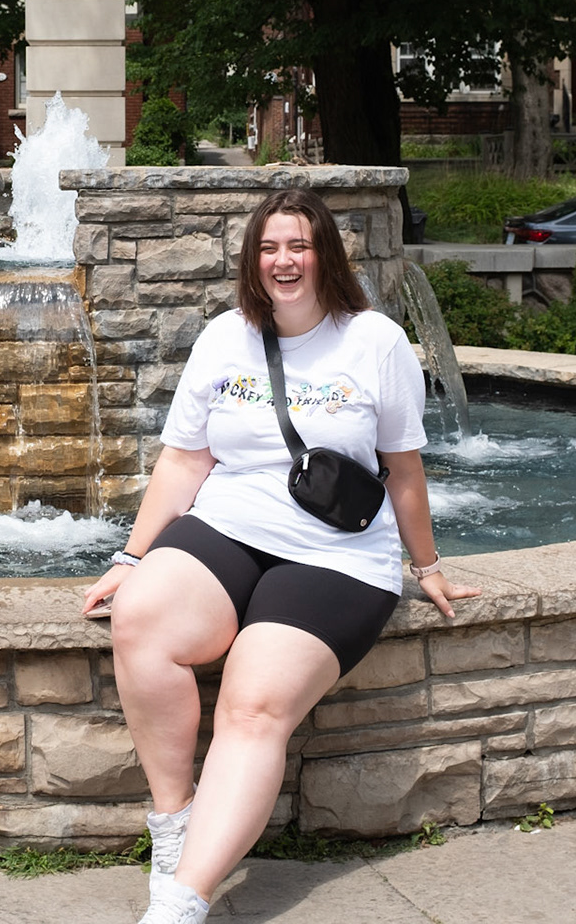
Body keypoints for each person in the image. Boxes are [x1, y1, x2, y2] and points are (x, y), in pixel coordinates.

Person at [82, 188, 479, 924]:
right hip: (228, 526)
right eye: (268, 248)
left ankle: (181, 902)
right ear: (252, 261)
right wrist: (131, 557)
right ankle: (175, 823)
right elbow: (184, 460)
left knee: (253, 704)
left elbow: (404, 470)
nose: (283, 261)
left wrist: (426, 568)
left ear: (325, 254)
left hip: (336, 555)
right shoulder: (225, 336)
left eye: (298, 245)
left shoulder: (375, 341)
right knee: (139, 619)